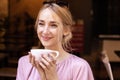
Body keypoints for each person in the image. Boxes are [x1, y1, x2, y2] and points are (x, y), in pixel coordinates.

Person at [16, 0, 94, 80]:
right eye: (41, 24)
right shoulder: (25, 63)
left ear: (66, 30)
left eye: (53, 25)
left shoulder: (80, 68)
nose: (45, 31)